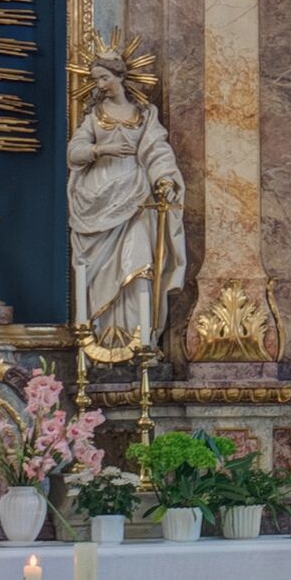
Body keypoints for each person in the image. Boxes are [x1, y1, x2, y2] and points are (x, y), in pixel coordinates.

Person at [67, 46, 187, 354]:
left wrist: (164, 179)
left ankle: (139, 338)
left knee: (139, 263)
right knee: (100, 270)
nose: (99, 84)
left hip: (135, 199)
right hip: (97, 199)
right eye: (95, 79)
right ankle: (103, 336)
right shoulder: (94, 117)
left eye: (104, 77)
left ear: (120, 76)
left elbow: (157, 150)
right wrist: (100, 150)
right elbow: (74, 152)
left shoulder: (144, 116)